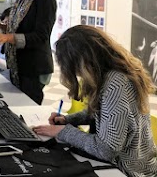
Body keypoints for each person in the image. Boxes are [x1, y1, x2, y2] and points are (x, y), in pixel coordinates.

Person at [33, 25, 157, 177]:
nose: (77, 75)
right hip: (122, 164)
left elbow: (106, 149)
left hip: (127, 171)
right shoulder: (111, 74)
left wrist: (63, 131)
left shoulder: (116, 83)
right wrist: (67, 119)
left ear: (83, 61)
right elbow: (105, 113)